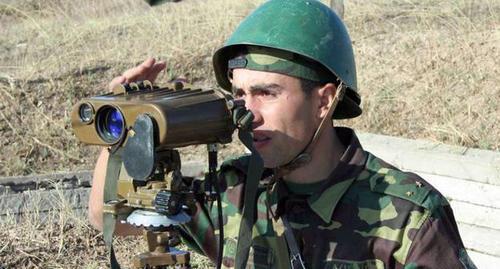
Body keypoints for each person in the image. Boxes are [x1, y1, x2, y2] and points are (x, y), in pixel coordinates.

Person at [88, 0, 477, 268]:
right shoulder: (234, 192)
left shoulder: (409, 216)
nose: (247, 112)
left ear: (324, 101)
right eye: (239, 94)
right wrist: (122, 127)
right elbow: (111, 220)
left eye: (266, 93)